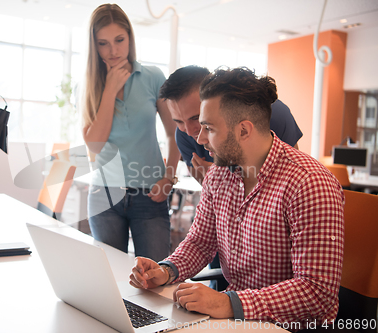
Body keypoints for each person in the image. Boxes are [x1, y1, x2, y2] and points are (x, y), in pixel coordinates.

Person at [129, 67, 344, 329]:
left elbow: (316, 292)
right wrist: (166, 270)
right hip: (236, 318)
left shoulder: (309, 183)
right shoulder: (219, 175)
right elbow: (200, 242)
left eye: (208, 128)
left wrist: (228, 303)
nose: (198, 138)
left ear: (243, 130)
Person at [81, 4, 180, 262]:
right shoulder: (88, 85)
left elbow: (174, 133)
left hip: (151, 193)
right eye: (103, 43)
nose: (113, 50)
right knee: (111, 279)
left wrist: (169, 177)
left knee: (155, 279)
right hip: (105, 195)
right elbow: (95, 145)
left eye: (119, 40)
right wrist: (110, 89)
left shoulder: (153, 77)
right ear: (94, 46)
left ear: (130, 38)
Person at [159, 65, 303, 184]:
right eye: (178, 121)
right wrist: (215, 179)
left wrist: (226, 176)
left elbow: (294, 173)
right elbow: (210, 197)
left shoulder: (273, 114)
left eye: (196, 118)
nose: (190, 132)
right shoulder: (183, 135)